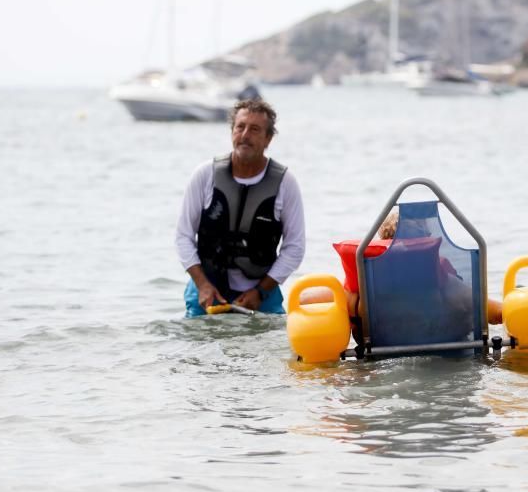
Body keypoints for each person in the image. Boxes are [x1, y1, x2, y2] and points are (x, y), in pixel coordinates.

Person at [176, 98, 306, 317]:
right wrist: (202, 285)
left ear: (268, 139)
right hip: (207, 290)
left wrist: (260, 291)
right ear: (232, 132)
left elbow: (294, 247)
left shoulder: (285, 183)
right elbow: (183, 237)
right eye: (240, 127)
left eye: (255, 129)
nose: (245, 135)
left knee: (273, 347)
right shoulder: (205, 175)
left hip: (262, 292)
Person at [301, 210, 504, 325]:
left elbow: (304, 301)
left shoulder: (360, 290)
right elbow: (497, 314)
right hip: (439, 350)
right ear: (426, 241)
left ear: (383, 242)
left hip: (378, 355)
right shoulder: (445, 285)